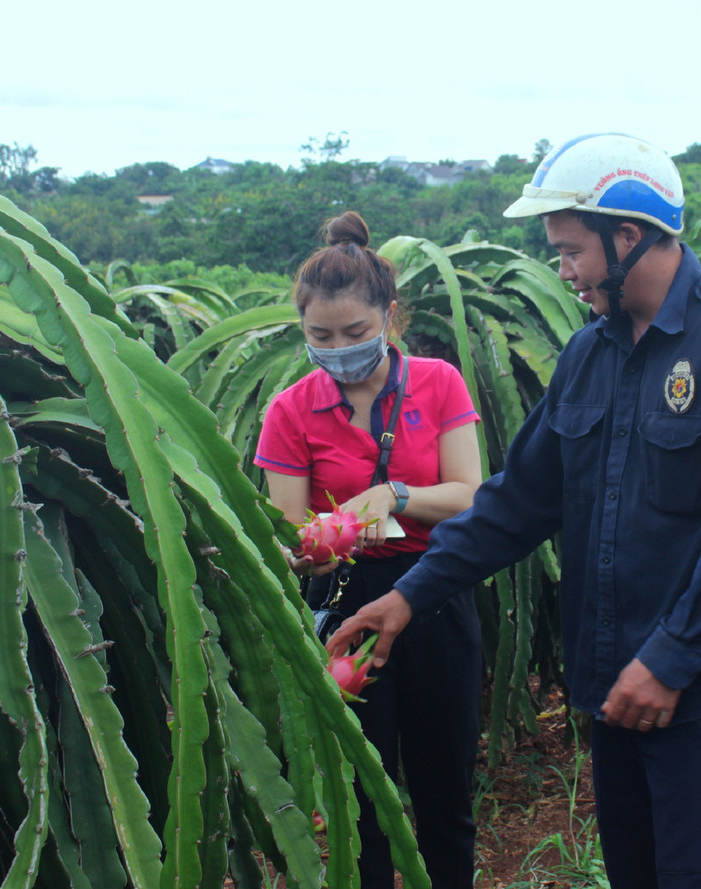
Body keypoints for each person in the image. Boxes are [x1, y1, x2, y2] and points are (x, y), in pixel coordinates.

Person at [330, 134, 701, 888]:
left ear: (628, 234)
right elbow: (518, 501)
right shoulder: (591, 353)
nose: (563, 272)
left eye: (570, 251)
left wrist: (670, 659)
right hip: (615, 680)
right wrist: (409, 595)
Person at [254, 210, 484, 889]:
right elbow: (292, 531)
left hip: (435, 588)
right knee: (363, 791)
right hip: (348, 600)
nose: (338, 346)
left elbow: (472, 494)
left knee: (446, 788)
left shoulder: (438, 382)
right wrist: (313, 548)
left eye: (355, 331)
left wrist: (397, 496)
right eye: (319, 335)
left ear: (389, 315)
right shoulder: (290, 410)